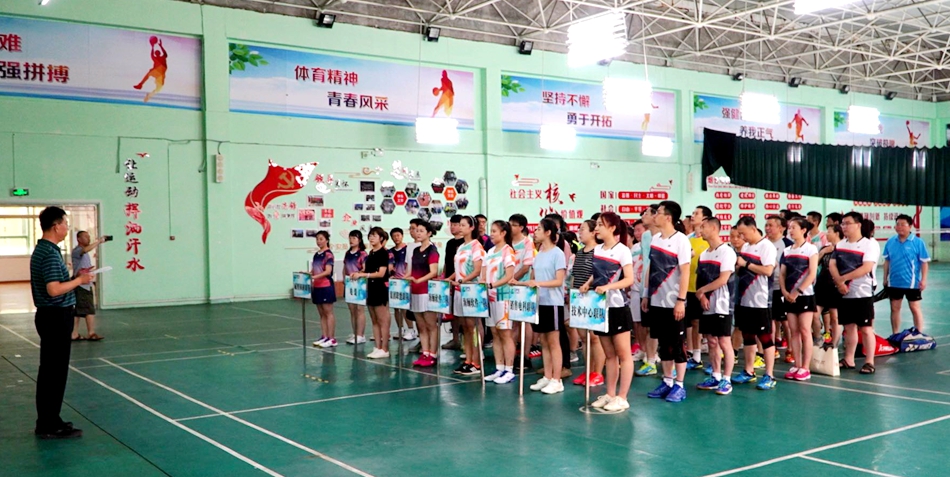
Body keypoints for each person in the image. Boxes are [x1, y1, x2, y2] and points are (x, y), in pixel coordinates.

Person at [31, 206, 93, 439]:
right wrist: (79, 281)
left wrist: (76, 277)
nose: (67, 228)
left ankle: (51, 418)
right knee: (53, 373)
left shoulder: (46, 250)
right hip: (55, 316)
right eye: (66, 224)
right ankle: (47, 424)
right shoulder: (48, 253)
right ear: (56, 226)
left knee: (53, 372)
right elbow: (54, 289)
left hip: (53, 316)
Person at [581, 212, 635, 411]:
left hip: (617, 307)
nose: (596, 228)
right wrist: (588, 284)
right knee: (609, 355)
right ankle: (610, 394)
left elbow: (629, 279)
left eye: (600, 225)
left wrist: (608, 287)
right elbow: (597, 275)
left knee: (623, 354)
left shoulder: (622, 251)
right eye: (596, 225)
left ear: (612, 228)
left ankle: (622, 397)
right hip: (601, 308)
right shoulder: (597, 250)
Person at [641, 202, 691, 403]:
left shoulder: (681, 240)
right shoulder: (655, 239)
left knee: (677, 344)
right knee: (663, 345)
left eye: (658, 213)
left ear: (668, 217)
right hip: (656, 300)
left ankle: (679, 384)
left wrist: (681, 300)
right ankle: (667, 381)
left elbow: (685, 272)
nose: (655, 216)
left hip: (673, 302)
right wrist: (646, 294)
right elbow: (651, 268)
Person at [521, 218, 567, 394]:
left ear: (548, 233)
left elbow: (558, 281)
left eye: (539, 229)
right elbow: (533, 277)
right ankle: (547, 376)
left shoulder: (558, 253)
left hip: (553, 303)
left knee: (554, 342)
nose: (535, 232)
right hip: (539, 302)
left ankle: (557, 379)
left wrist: (537, 283)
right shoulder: (538, 253)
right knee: (544, 342)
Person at [830, 212, 880, 374]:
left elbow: (866, 268)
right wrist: (839, 283)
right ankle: (849, 359)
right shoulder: (840, 244)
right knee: (849, 327)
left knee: (866, 329)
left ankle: (869, 362)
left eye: (847, 223)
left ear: (858, 225)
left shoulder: (869, 244)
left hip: (863, 293)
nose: (844, 226)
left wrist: (843, 279)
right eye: (842, 224)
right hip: (844, 293)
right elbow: (832, 264)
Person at [733, 217, 779, 390]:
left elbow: (768, 270)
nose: (741, 237)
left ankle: (769, 375)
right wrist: (738, 266)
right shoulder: (745, 247)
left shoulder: (767, 246)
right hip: (744, 299)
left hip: (760, 301)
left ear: (753, 229)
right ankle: (748, 371)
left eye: (743, 233)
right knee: (747, 336)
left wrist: (746, 264)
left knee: (765, 337)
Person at [694, 217, 738, 396]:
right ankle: (716, 375)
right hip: (707, 305)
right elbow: (700, 280)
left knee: (724, 341)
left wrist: (701, 291)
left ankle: (727, 379)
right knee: (711, 341)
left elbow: (723, 279)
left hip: (722, 305)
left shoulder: (727, 252)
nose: (700, 230)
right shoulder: (704, 254)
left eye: (703, 227)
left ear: (713, 228)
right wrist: (702, 295)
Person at [780, 218, 819, 381]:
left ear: (803, 230)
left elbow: (812, 273)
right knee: (793, 331)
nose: (790, 230)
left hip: (805, 296)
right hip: (789, 297)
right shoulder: (786, 250)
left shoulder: (811, 249)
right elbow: (782, 274)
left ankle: (805, 367)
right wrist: (784, 291)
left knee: (804, 330)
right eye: (789, 228)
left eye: (794, 227)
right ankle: (796, 365)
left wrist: (798, 292)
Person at [570, 220, 605, 386]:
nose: (579, 232)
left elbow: (598, 273)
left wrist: (587, 285)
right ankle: (588, 370)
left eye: (583, 229)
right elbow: (575, 276)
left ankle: (598, 373)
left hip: (593, 298)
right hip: (578, 299)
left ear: (593, 233)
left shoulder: (599, 251)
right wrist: (572, 295)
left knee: (595, 338)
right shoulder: (579, 253)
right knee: (584, 338)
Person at [449, 217, 485, 376]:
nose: (460, 227)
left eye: (463, 225)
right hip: (459, 290)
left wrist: (463, 280)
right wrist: (450, 279)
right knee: (465, 326)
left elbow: (477, 270)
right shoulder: (461, 246)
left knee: (473, 326)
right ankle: (468, 360)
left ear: (472, 228)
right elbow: (458, 269)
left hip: (472, 291)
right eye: (459, 225)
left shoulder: (476, 246)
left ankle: (476, 362)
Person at [482, 221, 517, 384]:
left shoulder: (508, 251)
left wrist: (492, 285)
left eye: (495, 231)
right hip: (490, 298)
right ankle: (499, 368)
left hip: (504, 297)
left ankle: (509, 370)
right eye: (491, 230)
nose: (491, 234)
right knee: (495, 333)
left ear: (503, 233)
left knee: (505, 334)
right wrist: (483, 285)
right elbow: (483, 274)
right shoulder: (489, 252)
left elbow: (509, 276)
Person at [883, 214, 930, 334]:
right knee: (894, 308)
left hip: (912, 283)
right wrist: (885, 278)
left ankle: (919, 334)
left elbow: (924, 262)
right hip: (894, 282)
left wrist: (924, 280)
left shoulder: (918, 242)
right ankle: (895, 334)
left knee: (914, 308)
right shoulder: (890, 241)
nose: (899, 227)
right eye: (897, 224)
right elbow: (887, 261)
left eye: (903, 224)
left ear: (910, 226)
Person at [353, 227, 392, 359]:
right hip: (370, 288)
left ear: (381, 238)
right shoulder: (371, 253)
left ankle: (385, 348)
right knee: (374, 320)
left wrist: (364, 275)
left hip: (380, 289)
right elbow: (366, 270)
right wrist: (358, 273)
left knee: (382, 320)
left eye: (374, 236)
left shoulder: (383, 253)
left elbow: (381, 273)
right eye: (370, 236)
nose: (371, 238)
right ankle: (377, 346)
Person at [409, 222, 441, 367]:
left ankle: (433, 354)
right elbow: (411, 271)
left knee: (431, 325)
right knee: (421, 325)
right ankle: (425, 352)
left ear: (429, 233)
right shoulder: (416, 250)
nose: (418, 233)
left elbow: (433, 272)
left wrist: (418, 280)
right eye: (416, 230)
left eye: (421, 231)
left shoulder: (432, 250)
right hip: (415, 291)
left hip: (427, 291)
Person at [636, 205, 662, 376]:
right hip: (646, 286)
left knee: (664, 328)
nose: (643, 215)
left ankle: (671, 366)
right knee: (648, 326)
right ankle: (650, 360)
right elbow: (647, 262)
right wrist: (645, 290)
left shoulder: (668, 237)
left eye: (647, 213)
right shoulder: (646, 236)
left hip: (664, 288)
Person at [508, 214, 536, 369]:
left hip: (523, 287)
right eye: (509, 224)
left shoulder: (527, 243)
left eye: (514, 225)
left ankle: (525, 356)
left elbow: (526, 267)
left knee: (524, 322)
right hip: (507, 287)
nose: (510, 227)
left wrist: (513, 280)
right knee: (512, 323)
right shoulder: (507, 243)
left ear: (521, 227)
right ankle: (511, 356)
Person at [686, 206, 712, 370]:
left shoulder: (709, 240)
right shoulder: (686, 239)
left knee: (706, 325)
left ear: (705, 219)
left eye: (696, 213)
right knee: (692, 323)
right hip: (687, 287)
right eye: (693, 213)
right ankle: (695, 356)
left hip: (704, 288)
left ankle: (714, 361)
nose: (692, 216)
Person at [766, 215, 794, 362]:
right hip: (766, 288)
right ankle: (773, 348)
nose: (767, 228)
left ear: (781, 228)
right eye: (766, 225)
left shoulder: (788, 245)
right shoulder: (764, 243)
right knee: (770, 319)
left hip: (782, 288)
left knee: (785, 321)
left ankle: (791, 349)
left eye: (771, 225)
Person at [70, 231, 106, 341]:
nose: (88, 238)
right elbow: (85, 250)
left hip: (84, 283)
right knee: (89, 309)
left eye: (89, 236)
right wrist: (99, 241)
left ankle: (74, 333)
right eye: (85, 236)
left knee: (78, 310)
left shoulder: (84, 253)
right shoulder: (77, 251)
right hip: (82, 285)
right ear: (79, 239)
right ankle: (91, 333)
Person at [815, 224, 844, 348]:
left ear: (837, 233)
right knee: (814, 314)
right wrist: (822, 253)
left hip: (835, 286)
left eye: (829, 231)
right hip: (821, 284)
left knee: (835, 316)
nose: (826, 234)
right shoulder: (825, 248)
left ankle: (834, 343)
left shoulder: (843, 248)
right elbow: (814, 264)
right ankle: (818, 338)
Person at [388, 227, 417, 341]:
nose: (396, 238)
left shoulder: (408, 249)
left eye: (398, 235)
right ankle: (400, 329)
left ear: (402, 236)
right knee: (396, 308)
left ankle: (411, 330)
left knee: (405, 307)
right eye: (394, 236)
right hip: (395, 283)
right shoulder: (390, 251)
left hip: (405, 282)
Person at [441, 215, 465, 351]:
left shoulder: (465, 243)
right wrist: (443, 276)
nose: (453, 227)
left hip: (459, 282)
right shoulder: (450, 243)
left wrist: (451, 278)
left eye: (456, 224)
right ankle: (455, 339)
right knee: (452, 313)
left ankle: (465, 341)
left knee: (463, 314)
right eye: (452, 224)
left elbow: (461, 267)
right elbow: (447, 262)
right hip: (448, 281)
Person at [311, 231, 338, 348]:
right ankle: (324, 336)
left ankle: (332, 339)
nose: (318, 241)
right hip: (317, 286)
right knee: (321, 313)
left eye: (321, 239)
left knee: (328, 312)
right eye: (317, 239)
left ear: (326, 240)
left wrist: (315, 277)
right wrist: (307, 274)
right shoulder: (316, 254)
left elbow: (327, 271)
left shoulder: (328, 255)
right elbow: (314, 270)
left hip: (326, 286)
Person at [344, 230, 369, 345]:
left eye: (354, 238)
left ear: (359, 240)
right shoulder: (348, 253)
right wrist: (344, 279)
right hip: (349, 284)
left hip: (359, 284)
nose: (351, 240)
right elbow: (345, 267)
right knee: (352, 310)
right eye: (350, 238)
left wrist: (358, 274)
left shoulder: (363, 254)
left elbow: (365, 268)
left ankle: (361, 335)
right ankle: (355, 333)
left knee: (359, 310)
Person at [133, 36, 168, 102]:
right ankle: (140, 85)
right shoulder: (158, 58)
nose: (157, 52)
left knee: (158, 88)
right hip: (158, 73)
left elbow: (164, 54)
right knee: (150, 74)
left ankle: (148, 95)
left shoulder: (161, 58)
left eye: (157, 52)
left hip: (160, 74)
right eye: (156, 52)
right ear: (157, 54)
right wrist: (155, 46)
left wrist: (155, 46)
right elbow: (155, 55)